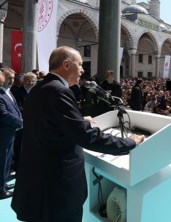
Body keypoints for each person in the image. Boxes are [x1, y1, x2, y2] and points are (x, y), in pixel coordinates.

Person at [11, 46, 144, 221]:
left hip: (39, 180)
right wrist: (129, 143)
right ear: (66, 64)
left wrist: (78, 120)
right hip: (56, 187)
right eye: (80, 64)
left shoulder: (41, 88)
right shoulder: (59, 91)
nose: (83, 69)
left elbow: (49, 123)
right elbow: (86, 136)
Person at [0, 68, 23, 199]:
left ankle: (2, 182)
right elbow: (4, 114)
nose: (11, 81)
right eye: (9, 78)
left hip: (10, 133)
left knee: (7, 160)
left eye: (13, 78)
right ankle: (0, 189)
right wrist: (21, 122)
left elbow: (15, 109)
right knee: (2, 160)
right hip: (3, 134)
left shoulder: (9, 92)